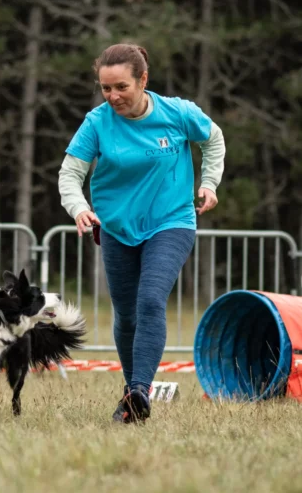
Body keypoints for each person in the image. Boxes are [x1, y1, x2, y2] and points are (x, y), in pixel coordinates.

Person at [58, 43, 226, 423]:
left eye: (122, 87)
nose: (113, 96)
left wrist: (209, 182)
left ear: (143, 80)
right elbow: (70, 173)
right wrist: (79, 208)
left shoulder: (177, 113)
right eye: (106, 88)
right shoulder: (97, 123)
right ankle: (132, 391)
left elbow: (213, 138)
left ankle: (139, 391)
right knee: (126, 315)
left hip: (172, 221)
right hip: (117, 227)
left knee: (150, 300)